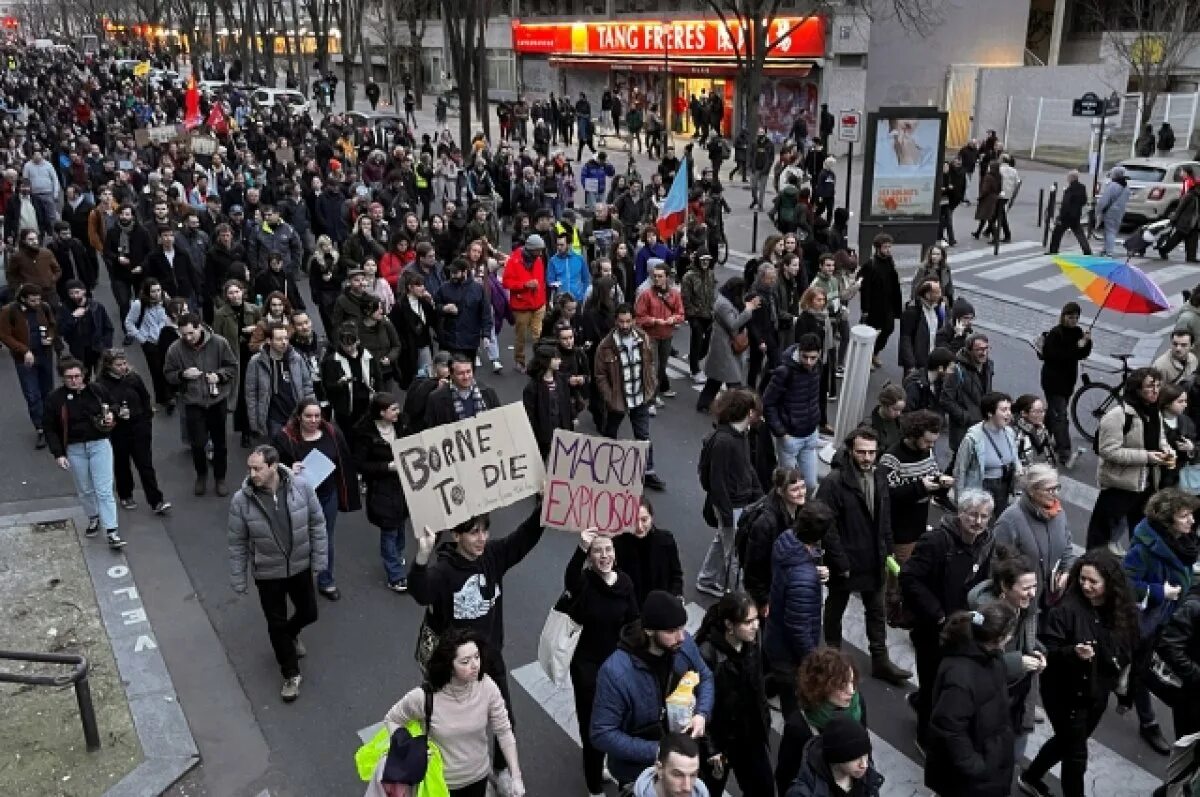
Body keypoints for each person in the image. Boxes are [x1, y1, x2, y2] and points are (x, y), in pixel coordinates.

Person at [408, 501, 545, 783]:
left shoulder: (493, 555)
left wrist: (543, 506)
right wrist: (421, 558)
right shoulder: (445, 572)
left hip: (490, 658)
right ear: (457, 536)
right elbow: (421, 592)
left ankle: (502, 771)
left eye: (485, 530)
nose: (482, 538)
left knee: (505, 720)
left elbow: (523, 538)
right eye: (473, 532)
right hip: (455, 667)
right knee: (453, 727)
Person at [1019, 551, 1139, 797]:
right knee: (1076, 756)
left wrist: (1124, 692)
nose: (1086, 585)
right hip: (1065, 693)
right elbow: (1048, 650)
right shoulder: (1066, 610)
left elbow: (1127, 652)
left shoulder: (1120, 613)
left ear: (1109, 583)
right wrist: (1073, 653)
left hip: (1096, 692)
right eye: (1082, 579)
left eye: (1093, 581)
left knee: (1067, 742)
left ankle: (1030, 777)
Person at [227, 445, 327, 703]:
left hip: (299, 567)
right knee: (276, 623)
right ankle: (291, 674)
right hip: (268, 573)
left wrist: (320, 560)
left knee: (309, 613)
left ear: (273, 466)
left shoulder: (301, 487)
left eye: (257, 468)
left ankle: (290, 633)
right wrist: (239, 578)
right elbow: (237, 542)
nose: (252, 473)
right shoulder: (242, 500)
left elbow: (317, 522)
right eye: (250, 468)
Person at [590, 590, 715, 789]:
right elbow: (602, 733)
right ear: (649, 631)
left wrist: (701, 714)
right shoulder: (615, 672)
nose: (681, 637)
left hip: (680, 759)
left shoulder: (682, 645)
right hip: (638, 772)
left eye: (682, 628)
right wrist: (658, 750)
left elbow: (705, 677)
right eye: (671, 631)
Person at [817, 426, 912, 685]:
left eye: (872, 452)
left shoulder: (879, 475)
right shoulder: (834, 482)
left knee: (876, 611)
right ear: (850, 450)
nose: (868, 457)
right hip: (846, 562)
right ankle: (832, 660)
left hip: (875, 557)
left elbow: (884, 516)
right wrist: (839, 561)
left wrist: (888, 548)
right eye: (862, 452)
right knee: (835, 610)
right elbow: (826, 526)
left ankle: (880, 660)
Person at [900, 489, 994, 750]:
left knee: (946, 684)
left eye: (984, 516)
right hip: (933, 629)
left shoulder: (986, 542)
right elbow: (909, 578)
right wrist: (939, 614)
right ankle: (923, 737)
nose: (978, 522)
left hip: (964, 629)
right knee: (933, 684)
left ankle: (922, 703)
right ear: (959, 513)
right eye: (972, 515)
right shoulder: (936, 541)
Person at [381, 630, 526, 797]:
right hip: (441, 783)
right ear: (449, 666)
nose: (474, 665)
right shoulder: (424, 697)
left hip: (479, 776)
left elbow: (504, 731)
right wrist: (408, 746)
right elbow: (392, 719)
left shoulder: (487, 686)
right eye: (465, 662)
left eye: (477, 657)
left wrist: (516, 776)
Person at [1122, 487, 1199, 755]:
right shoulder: (1144, 547)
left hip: (1171, 617)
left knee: (1144, 668)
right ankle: (1148, 721)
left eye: (1190, 514)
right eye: (1184, 516)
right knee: (1142, 669)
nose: (1191, 520)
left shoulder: (1185, 542)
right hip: (1150, 620)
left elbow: (1188, 572)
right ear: (1167, 521)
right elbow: (1126, 584)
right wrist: (1159, 592)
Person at [563, 529, 639, 797]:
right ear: (590, 556)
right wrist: (580, 548)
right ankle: (594, 786)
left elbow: (633, 622)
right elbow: (570, 579)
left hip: (615, 667)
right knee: (592, 728)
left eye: (608, 549)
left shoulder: (625, 583)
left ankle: (603, 763)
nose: (604, 555)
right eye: (598, 550)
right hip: (587, 667)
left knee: (615, 722)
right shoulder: (584, 582)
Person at [925, 602, 1019, 797]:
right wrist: (977, 767)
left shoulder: (988, 657)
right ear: (1000, 638)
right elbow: (949, 728)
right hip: (970, 776)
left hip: (989, 756)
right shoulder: (960, 676)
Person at [273, 397, 360, 601]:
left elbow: (344, 461)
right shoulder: (285, 438)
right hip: (298, 499)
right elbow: (271, 464)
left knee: (325, 538)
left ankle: (326, 580)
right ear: (299, 417)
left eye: (317, 416)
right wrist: (287, 468)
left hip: (327, 496)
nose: (313, 420)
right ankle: (298, 581)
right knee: (298, 540)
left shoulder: (331, 432)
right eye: (308, 416)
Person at [967, 547, 1046, 762]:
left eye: (1035, 587)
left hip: (1018, 694)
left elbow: (1025, 640)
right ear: (1004, 586)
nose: (1032, 593)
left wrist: (1037, 652)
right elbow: (977, 662)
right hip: (990, 700)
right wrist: (1017, 662)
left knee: (1011, 755)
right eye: (1026, 588)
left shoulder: (1025, 607)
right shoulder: (984, 618)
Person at [694, 592, 773, 797]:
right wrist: (710, 750)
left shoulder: (752, 643)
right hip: (719, 742)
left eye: (756, 619)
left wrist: (764, 717)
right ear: (729, 625)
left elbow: (758, 687)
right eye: (748, 622)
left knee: (763, 789)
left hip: (750, 736)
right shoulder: (707, 655)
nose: (756, 625)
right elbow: (698, 708)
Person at [1086, 367, 1171, 552]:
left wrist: (1166, 450)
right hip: (1119, 486)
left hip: (1145, 485)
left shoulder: (1154, 412)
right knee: (1100, 537)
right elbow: (1108, 451)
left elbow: (1160, 438)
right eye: (1150, 386)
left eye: (1158, 386)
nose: (1155, 390)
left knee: (1141, 535)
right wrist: (1147, 457)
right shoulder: (1118, 416)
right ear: (1137, 389)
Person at [763, 500, 836, 717]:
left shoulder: (786, 540)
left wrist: (814, 568)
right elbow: (798, 628)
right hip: (789, 651)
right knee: (793, 709)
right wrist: (813, 658)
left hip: (775, 633)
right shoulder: (802, 580)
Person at [43, 357, 124, 549]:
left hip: (99, 444)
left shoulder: (96, 391)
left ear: (83, 375)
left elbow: (113, 404)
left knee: (104, 489)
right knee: (85, 489)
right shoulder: (55, 399)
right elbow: (50, 428)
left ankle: (112, 530)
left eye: (77, 376)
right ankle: (93, 517)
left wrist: (112, 413)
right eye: (69, 377)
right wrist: (58, 454)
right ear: (63, 378)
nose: (74, 380)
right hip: (75, 448)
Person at [879, 410, 952, 619]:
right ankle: (892, 609)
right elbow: (887, 495)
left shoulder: (927, 453)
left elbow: (930, 478)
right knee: (900, 573)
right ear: (913, 435)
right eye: (928, 442)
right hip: (900, 528)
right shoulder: (892, 460)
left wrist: (940, 484)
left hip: (919, 524)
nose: (931, 447)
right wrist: (920, 487)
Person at [993, 463, 1078, 634]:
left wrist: (1067, 570)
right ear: (1032, 491)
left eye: (1057, 488)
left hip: (1052, 598)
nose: (1055, 494)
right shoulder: (1010, 521)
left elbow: (1067, 545)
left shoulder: (1058, 513)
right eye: (1049, 489)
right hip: (1023, 605)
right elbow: (998, 565)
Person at [697, 388, 764, 596]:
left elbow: (747, 467)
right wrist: (726, 515)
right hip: (730, 505)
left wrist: (757, 493)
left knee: (724, 541)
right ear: (749, 412)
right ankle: (735, 595)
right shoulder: (724, 441)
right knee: (734, 552)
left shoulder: (742, 434)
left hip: (738, 502)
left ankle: (707, 579)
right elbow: (717, 482)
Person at [775, 647, 869, 795]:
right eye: (842, 685)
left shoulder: (858, 704)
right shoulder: (799, 725)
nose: (851, 691)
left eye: (852, 682)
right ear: (823, 687)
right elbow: (787, 774)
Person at [164, 312, 239, 497]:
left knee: (220, 443)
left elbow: (232, 367)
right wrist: (182, 375)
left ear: (200, 327)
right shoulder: (175, 349)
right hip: (193, 402)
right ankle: (201, 475)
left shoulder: (219, 343)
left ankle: (220, 478)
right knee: (197, 444)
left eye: (191, 333)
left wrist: (220, 376)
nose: (188, 338)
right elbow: (168, 374)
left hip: (216, 401)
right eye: (184, 334)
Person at [595, 303, 666, 490]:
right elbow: (600, 375)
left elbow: (650, 363)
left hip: (639, 397)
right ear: (616, 321)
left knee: (643, 436)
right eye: (621, 321)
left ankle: (648, 472)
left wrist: (651, 387)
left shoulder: (643, 338)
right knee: (610, 435)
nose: (625, 325)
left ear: (634, 321)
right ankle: (602, 470)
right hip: (618, 400)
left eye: (628, 321)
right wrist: (610, 397)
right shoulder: (606, 346)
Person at [96, 349, 170, 515]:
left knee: (145, 465)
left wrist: (146, 420)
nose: (123, 368)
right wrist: (115, 413)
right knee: (122, 463)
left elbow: (145, 398)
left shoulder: (133, 378)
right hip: (119, 430)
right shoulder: (102, 384)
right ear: (109, 366)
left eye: (124, 364)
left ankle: (156, 500)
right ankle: (125, 493)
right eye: (118, 365)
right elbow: (104, 406)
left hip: (139, 427)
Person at [354, 393, 411, 593]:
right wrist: (387, 467)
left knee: (401, 522)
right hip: (381, 487)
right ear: (381, 412)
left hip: (404, 484)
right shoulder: (365, 434)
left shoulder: (402, 425)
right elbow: (360, 464)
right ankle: (395, 574)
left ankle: (397, 554)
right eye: (393, 409)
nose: (398, 412)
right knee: (389, 528)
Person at [763, 334, 824, 491]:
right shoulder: (784, 371)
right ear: (799, 351)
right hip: (790, 437)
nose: (809, 362)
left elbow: (817, 395)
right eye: (805, 357)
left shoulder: (818, 367)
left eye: (813, 358)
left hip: (810, 435)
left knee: (810, 485)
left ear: (819, 354)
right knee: (788, 487)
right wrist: (782, 433)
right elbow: (768, 403)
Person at [0, 283, 59, 448]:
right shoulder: (9, 311)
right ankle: (41, 428)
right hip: (24, 360)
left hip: (44, 355)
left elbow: (53, 324)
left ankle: (52, 425)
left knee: (48, 392)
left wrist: (50, 337)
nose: (37, 303)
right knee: (32, 394)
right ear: (23, 299)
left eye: (39, 299)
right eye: (33, 300)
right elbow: (4, 334)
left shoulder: (44, 307)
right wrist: (23, 350)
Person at [741, 467, 808, 610]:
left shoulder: (800, 508)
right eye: (795, 489)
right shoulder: (765, 524)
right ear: (780, 491)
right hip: (771, 587)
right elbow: (754, 567)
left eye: (803, 486)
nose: (801, 492)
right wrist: (764, 601)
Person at [212, 280, 263, 448]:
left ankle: (257, 424)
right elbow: (216, 338)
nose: (235, 295)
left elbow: (264, 328)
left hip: (252, 355)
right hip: (235, 358)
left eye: (237, 291)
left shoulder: (254, 309)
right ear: (226, 295)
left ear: (243, 292)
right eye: (231, 292)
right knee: (241, 395)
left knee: (257, 390)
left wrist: (255, 328)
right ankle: (245, 431)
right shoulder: (221, 314)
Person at [1040, 302, 1092, 465]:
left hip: (1068, 381)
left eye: (1076, 318)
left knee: (1054, 413)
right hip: (1053, 381)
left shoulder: (1077, 332)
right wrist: (1076, 347)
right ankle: (1065, 452)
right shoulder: (1056, 334)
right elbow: (1053, 357)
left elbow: (1081, 354)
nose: (1074, 321)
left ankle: (1041, 437)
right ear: (1063, 316)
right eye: (1071, 317)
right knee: (1061, 417)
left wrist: (1087, 342)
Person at [698, 277, 759, 414]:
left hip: (724, 346)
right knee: (734, 381)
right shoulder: (723, 304)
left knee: (715, 380)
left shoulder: (726, 299)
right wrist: (748, 310)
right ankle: (738, 410)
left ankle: (704, 403)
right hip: (724, 347)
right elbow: (733, 324)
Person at [784, 713, 884, 797]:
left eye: (865, 755)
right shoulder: (803, 793)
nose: (864, 765)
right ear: (836, 758)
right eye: (854, 758)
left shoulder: (864, 772)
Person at [245, 323, 315, 442]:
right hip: (273, 416)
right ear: (268, 341)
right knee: (278, 450)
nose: (284, 342)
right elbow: (251, 394)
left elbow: (307, 386)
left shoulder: (296, 358)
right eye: (279, 339)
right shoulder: (256, 362)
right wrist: (254, 422)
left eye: (286, 338)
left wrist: (311, 411)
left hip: (295, 413)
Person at [953, 391, 1021, 512]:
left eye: (1009, 409)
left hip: (1004, 485)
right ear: (990, 413)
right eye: (1004, 410)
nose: (1009, 414)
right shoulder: (973, 438)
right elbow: (960, 469)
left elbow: (1014, 456)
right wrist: (960, 499)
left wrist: (1018, 469)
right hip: (982, 486)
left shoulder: (1009, 433)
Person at [616, 498, 684, 607]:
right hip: (632, 610)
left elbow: (676, 575)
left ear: (651, 517)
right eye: (634, 521)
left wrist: (674, 598)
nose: (639, 527)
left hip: (661, 605)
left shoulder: (666, 540)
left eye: (644, 520)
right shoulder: (618, 545)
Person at [635, 263, 686, 405]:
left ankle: (654, 393)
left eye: (660, 276)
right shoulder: (646, 295)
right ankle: (650, 400)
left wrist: (673, 319)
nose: (656, 279)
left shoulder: (674, 294)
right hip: (651, 336)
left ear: (667, 278)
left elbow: (681, 313)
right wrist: (654, 321)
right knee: (653, 368)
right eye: (654, 276)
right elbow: (639, 317)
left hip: (667, 336)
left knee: (662, 368)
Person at [322, 323, 382, 438]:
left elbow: (378, 378)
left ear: (358, 341)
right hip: (346, 409)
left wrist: (377, 395)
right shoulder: (332, 361)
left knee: (368, 436)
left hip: (367, 404)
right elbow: (327, 386)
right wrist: (339, 384)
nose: (349, 348)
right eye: (345, 345)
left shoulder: (368, 356)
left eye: (352, 344)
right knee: (350, 437)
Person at [940, 333, 994, 452]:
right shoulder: (956, 370)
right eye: (979, 349)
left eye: (986, 348)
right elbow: (945, 400)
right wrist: (966, 417)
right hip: (963, 429)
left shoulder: (989, 366)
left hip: (982, 424)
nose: (984, 353)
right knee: (959, 463)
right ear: (969, 350)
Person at [502, 233, 548, 371]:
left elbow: (541, 279)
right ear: (530, 249)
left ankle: (540, 361)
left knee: (538, 334)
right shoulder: (514, 261)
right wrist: (525, 285)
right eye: (538, 250)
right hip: (521, 306)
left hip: (538, 303)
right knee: (520, 336)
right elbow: (506, 283)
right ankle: (520, 361)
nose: (540, 253)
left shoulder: (538, 260)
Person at [435, 258, 494, 362]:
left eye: (455, 273)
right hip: (449, 339)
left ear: (465, 272)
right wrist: (444, 308)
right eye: (451, 272)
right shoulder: (444, 288)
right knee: (449, 371)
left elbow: (486, 313)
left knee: (467, 370)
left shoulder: (478, 289)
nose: (452, 275)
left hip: (470, 340)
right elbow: (435, 306)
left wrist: (486, 335)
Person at [523, 341, 574, 459]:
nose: (559, 361)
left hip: (562, 431)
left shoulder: (561, 380)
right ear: (546, 361)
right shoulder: (532, 388)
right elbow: (530, 416)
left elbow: (566, 404)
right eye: (555, 359)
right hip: (543, 437)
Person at [859, 234, 902, 370]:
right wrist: (865, 309)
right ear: (877, 248)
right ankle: (868, 356)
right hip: (874, 306)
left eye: (889, 247)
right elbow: (864, 287)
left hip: (888, 303)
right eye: (885, 247)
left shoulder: (890, 261)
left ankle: (875, 352)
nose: (888, 250)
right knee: (873, 332)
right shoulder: (871, 265)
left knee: (888, 329)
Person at [424, 356, 502, 429]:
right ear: (451, 375)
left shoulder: (488, 392)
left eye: (468, 372)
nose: (466, 377)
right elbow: (431, 429)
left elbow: (499, 420)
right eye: (460, 373)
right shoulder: (436, 399)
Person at [57, 280, 113, 377]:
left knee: (102, 376)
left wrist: (105, 346)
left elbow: (108, 327)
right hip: (79, 351)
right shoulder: (65, 309)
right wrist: (73, 317)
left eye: (77, 292)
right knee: (83, 378)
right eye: (71, 293)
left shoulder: (96, 306)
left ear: (84, 291)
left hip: (97, 348)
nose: (74, 296)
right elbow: (61, 330)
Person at [630, 733, 711, 797]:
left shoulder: (701, 792)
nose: (687, 787)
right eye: (678, 775)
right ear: (659, 769)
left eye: (693, 775)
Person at [898, 280, 945, 376]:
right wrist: (910, 365)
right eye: (937, 292)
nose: (940, 295)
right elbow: (905, 338)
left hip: (931, 361)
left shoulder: (937, 310)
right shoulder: (912, 312)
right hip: (916, 363)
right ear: (927, 295)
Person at [1047, 170, 1092, 255]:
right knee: (1079, 234)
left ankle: (1053, 250)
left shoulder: (1069, 190)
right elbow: (1084, 200)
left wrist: (1060, 216)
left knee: (1057, 233)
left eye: (1068, 177)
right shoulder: (1082, 187)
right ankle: (1087, 251)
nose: (1067, 178)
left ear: (1072, 178)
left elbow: (1066, 204)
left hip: (1067, 216)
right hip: (1076, 215)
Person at [1159, 179, 1200, 263]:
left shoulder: (1197, 197)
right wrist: (1174, 219)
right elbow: (1179, 209)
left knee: (1193, 240)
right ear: (1196, 187)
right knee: (1175, 239)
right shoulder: (1189, 196)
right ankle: (1163, 250)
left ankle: (1191, 257)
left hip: (1195, 224)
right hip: (1185, 223)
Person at [1097, 165, 1131, 257]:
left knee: (1109, 231)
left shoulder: (1113, 186)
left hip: (1110, 211)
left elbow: (1104, 200)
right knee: (1112, 231)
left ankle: (1109, 251)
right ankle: (1106, 249)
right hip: (1119, 211)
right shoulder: (1126, 187)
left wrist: (1098, 210)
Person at [866, 384, 906, 453]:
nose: (899, 413)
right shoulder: (869, 425)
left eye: (901, 410)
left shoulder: (901, 422)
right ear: (884, 405)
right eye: (895, 409)